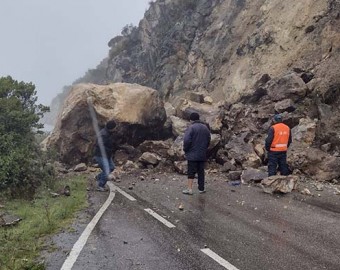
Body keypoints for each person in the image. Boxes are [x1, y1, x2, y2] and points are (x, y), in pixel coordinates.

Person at [182, 112, 211, 195]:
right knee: (201, 171)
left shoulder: (191, 128)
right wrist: (204, 148)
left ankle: (189, 189)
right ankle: (201, 189)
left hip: (192, 154)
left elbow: (187, 140)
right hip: (202, 153)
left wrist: (185, 149)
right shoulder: (205, 128)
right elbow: (209, 140)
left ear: (191, 120)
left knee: (191, 171)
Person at [94, 120, 117, 191]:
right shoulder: (103, 134)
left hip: (107, 155)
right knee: (106, 170)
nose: (116, 129)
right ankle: (100, 185)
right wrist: (109, 150)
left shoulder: (109, 133)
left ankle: (99, 177)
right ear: (112, 128)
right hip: (100, 155)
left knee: (112, 167)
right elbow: (99, 145)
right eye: (115, 127)